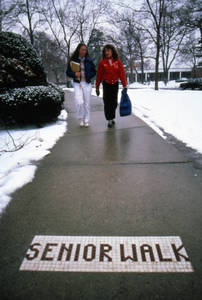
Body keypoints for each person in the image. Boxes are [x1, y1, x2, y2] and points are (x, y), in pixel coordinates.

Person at [96, 44, 127, 128]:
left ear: (112, 51)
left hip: (115, 84)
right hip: (106, 84)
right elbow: (99, 75)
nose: (107, 52)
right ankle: (109, 119)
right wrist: (97, 87)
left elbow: (122, 74)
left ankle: (112, 117)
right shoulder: (102, 63)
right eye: (105, 51)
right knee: (107, 102)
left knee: (114, 103)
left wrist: (125, 85)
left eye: (108, 50)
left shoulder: (117, 61)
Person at [66, 43, 96, 127]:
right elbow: (68, 72)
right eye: (82, 49)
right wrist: (74, 74)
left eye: (85, 50)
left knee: (87, 103)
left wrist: (88, 75)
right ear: (78, 50)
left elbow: (94, 71)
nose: (84, 51)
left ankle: (86, 120)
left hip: (87, 83)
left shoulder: (89, 60)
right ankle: (80, 118)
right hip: (77, 83)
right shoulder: (73, 60)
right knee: (79, 102)